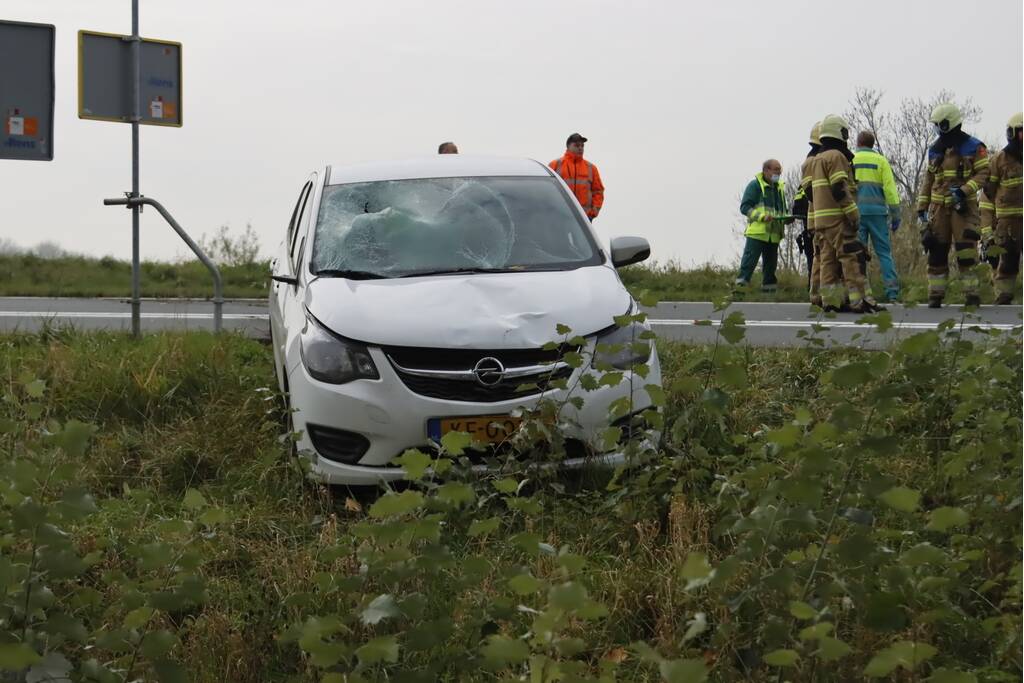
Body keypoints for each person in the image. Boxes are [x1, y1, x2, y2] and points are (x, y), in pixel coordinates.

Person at [915, 103, 989, 308]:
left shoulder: (974, 147)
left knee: (966, 251)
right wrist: (921, 208)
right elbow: (928, 181)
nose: (937, 129)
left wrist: (964, 190)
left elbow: (984, 174)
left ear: (949, 124)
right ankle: (935, 295)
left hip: (964, 209)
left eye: (939, 125)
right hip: (939, 210)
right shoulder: (934, 150)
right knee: (937, 252)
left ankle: (972, 295)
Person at [810, 114, 882, 313]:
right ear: (840, 132)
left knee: (828, 262)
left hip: (822, 222)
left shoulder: (818, 159)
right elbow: (839, 188)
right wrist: (853, 215)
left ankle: (831, 302)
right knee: (851, 259)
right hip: (838, 220)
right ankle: (860, 302)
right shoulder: (837, 157)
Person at [853, 131, 902, 301]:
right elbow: (890, 190)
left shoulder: (851, 159)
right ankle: (892, 292)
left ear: (858, 143)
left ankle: (862, 293)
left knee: (857, 253)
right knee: (884, 253)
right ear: (872, 144)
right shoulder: (881, 161)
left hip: (856, 213)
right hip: (878, 214)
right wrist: (896, 215)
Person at [984, 112, 1023, 304]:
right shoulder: (999, 160)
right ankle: (1003, 298)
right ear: (1014, 133)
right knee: (1008, 262)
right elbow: (987, 195)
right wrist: (987, 231)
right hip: (1008, 224)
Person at [735, 159, 791, 292]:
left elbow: (782, 210)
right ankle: (740, 290)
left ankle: (769, 292)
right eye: (776, 169)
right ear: (766, 170)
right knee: (749, 263)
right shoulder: (755, 186)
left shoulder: (779, 188)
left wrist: (787, 218)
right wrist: (761, 217)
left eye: (780, 170)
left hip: (774, 234)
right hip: (758, 233)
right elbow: (744, 207)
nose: (779, 172)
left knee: (770, 267)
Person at [549, 133, 604, 221]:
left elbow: (598, 191)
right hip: (559, 216)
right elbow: (548, 191)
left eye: (582, 146)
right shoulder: (555, 165)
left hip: (584, 219)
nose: (580, 148)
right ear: (568, 147)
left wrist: (593, 212)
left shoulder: (591, 168)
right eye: (576, 145)